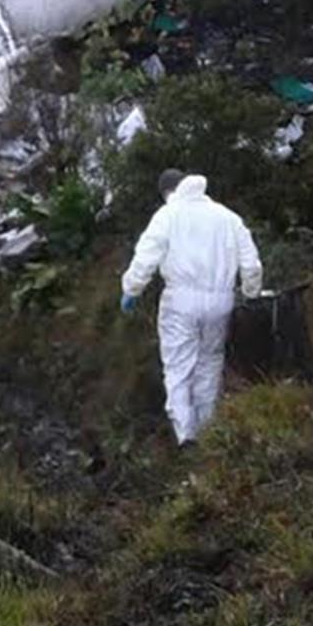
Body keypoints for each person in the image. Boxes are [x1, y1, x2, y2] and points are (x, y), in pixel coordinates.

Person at [121, 169, 263, 446]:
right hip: (221, 301)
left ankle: (186, 435)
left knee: (178, 366)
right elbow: (251, 263)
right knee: (210, 362)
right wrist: (250, 292)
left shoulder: (168, 215)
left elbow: (146, 257)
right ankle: (208, 429)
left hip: (181, 302)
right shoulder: (228, 217)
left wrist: (131, 289)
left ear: (166, 193)